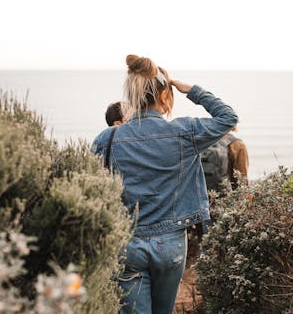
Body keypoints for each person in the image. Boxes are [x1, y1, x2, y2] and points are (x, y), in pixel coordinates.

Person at [92, 55, 238, 314]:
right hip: (171, 244)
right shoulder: (185, 132)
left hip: (127, 242)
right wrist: (191, 90)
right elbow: (228, 118)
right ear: (163, 96)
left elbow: (93, 186)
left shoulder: (107, 139)